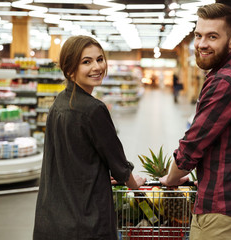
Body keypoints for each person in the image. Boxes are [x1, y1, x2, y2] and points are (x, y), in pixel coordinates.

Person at [159, 3, 231, 240]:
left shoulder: (225, 81)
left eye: (212, 37)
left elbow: (193, 144)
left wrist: (172, 178)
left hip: (224, 211)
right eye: (199, 35)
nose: (201, 44)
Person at [33, 35, 146, 240]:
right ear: (69, 70)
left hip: (52, 216)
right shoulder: (93, 110)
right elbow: (119, 165)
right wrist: (135, 185)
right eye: (86, 62)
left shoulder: (58, 104)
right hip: (86, 220)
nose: (97, 67)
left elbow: (74, 157)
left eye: (100, 59)